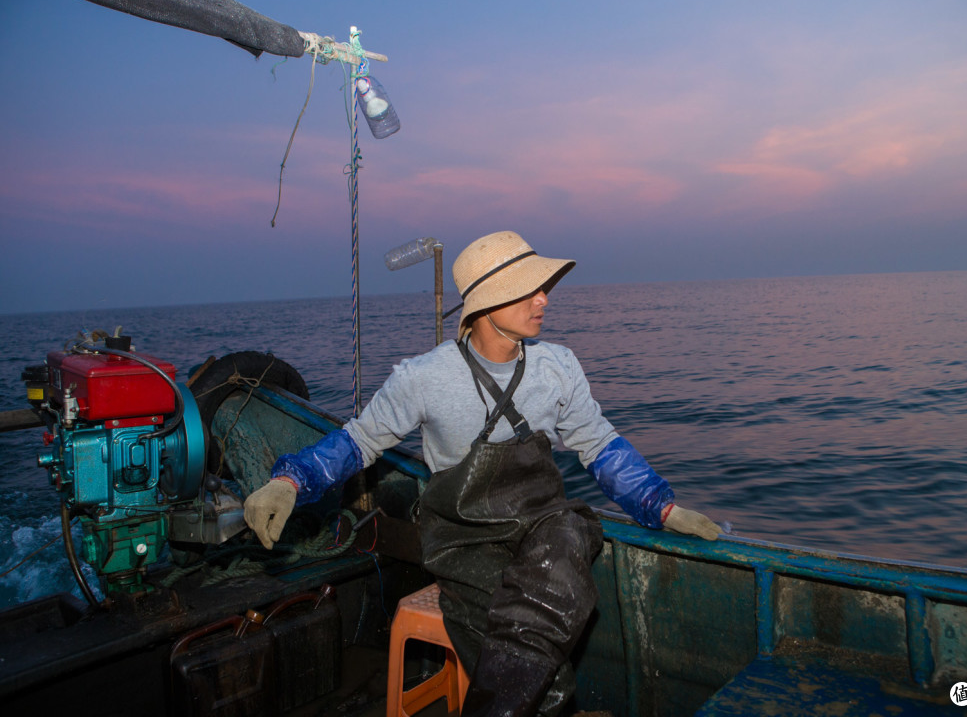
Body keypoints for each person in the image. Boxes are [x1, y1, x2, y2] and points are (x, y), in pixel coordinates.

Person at [244, 231, 723, 717]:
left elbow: (598, 444)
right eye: (526, 289)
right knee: (519, 629)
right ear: (485, 304)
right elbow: (360, 441)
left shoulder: (559, 367)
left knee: (568, 540)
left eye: (543, 287)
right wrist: (291, 482)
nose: (543, 298)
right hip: (463, 537)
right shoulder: (422, 378)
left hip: (541, 521)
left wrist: (661, 506)